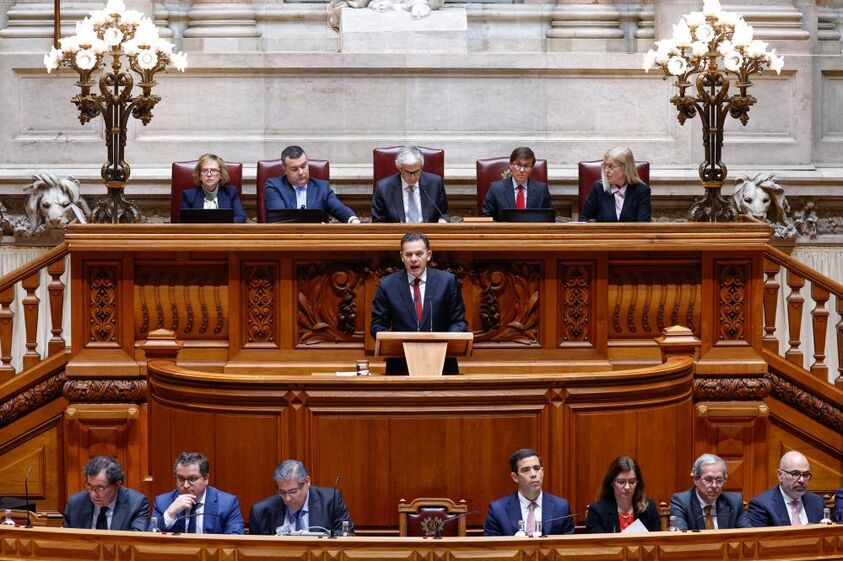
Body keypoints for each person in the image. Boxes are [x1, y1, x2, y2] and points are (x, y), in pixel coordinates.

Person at [370, 232, 467, 374]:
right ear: (402, 257)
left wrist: (444, 342)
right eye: (409, 255)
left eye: (419, 254)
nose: (414, 259)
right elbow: (377, 325)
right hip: (401, 366)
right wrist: (393, 341)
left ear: (429, 255)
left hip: (442, 364)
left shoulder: (447, 282)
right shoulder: (387, 285)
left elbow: (459, 322)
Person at [249, 459, 353, 536]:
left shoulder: (331, 501)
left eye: (293, 491)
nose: (287, 498)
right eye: (282, 492)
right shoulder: (261, 512)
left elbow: (347, 537)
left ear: (307, 482)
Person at [484, 448, 575, 536]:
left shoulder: (561, 507)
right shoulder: (498, 510)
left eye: (536, 468)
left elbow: (568, 548)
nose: (533, 474)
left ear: (542, 472)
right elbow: (493, 549)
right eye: (526, 470)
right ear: (515, 477)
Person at [152, 452, 244, 534]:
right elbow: (150, 540)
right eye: (181, 479)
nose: (186, 485)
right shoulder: (162, 502)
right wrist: (170, 514)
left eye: (192, 479)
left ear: (206, 479)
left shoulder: (227, 504)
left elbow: (234, 540)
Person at [264, 145, 360, 223]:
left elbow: (340, 209)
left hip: (317, 242)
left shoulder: (322, 187)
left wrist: (353, 220)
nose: (301, 172)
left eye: (303, 166)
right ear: (284, 170)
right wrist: (315, 225)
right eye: (294, 169)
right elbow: (281, 220)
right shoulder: (274, 186)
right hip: (286, 241)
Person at [63, 456, 149, 531]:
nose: (93, 493)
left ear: (117, 484)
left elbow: (136, 541)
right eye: (89, 485)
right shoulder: (75, 504)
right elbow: (66, 540)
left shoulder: (136, 504)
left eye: (100, 487)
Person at [669, 453, 749, 530]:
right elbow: (680, 538)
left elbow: (749, 536)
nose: (714, 485)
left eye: (719, 480)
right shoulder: (681, 502)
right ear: (696, 480)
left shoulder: (734, 501)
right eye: (708, 480)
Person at [371, 146, 449, 223]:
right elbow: (378, 221)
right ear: (400, 168)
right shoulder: (383, 188)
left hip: (428, 233)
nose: (412, 177)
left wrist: (442, 220)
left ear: (421, 167)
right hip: (398, 234)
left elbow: (443, 213)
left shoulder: (435, 183)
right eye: (408, 172)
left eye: (417, 171)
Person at [747, 450, 825, 526]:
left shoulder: (817, 502)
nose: (801, 480)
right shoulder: (762, 505)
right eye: (795, 474)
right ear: (780, 475)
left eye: (805, 475)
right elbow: (759, 538)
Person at [585, 455, 660, 533]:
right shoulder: (597, 511)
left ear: (637, 482)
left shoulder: (649, 507)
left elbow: (657, 541)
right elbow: (598, 544)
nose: (627, 487)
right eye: (621, 482)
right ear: (611, 482)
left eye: (632, 482)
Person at [579, 146, 651, 222]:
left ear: (626, 168)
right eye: (605, 166)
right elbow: (583, 219)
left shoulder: (641, 191)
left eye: (611, 166)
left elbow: (643, 225)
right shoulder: (598, 188)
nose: (606, 171)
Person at [481, 146, 553, 221]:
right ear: (511, 165)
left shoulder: (541, 190)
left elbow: (548, 219)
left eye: (526, 166)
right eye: (518, 165)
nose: (522, 170)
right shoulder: (496, 189)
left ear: (532, 168)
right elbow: (486, 218)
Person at [180, 153, 247, 223]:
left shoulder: (231, 192)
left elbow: (241, 217)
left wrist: (219, 227)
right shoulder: (189, 195)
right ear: (199, 175)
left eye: (213, 170)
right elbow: (185, 223)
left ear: (221, 174)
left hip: (224, 233)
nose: (209, 174)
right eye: (205, 170)